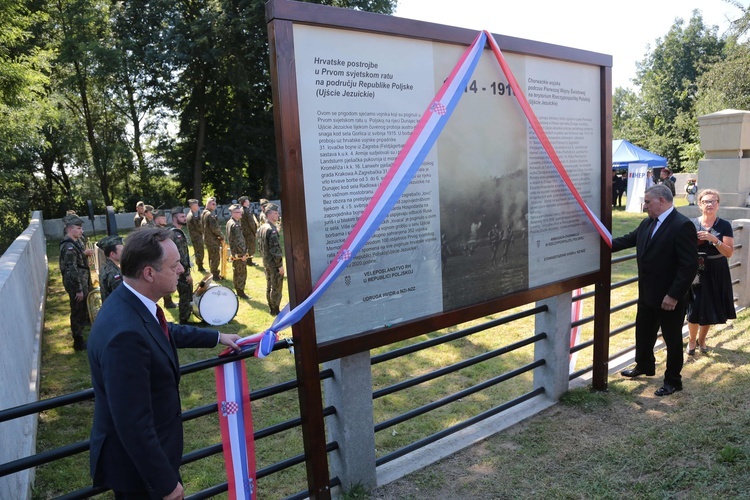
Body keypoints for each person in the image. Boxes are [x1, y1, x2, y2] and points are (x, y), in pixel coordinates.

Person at [87, 227, 242, 499]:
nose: (182, 269)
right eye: (174, 265)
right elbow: (133, 422)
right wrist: (164, 483)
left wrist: (217, 336)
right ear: (149, 273)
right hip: (141, 473)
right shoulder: (125, 335)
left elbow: (163, 330)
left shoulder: (131, 303)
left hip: (149, 461)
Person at [612, 184, 698, 396]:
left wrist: (673, 295)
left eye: (648, 201)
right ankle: (645, 365)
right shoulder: (647, 223)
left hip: (670, 298)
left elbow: (689, 266)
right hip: (648, 294)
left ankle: (673, 380)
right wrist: (597, 241)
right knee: (643, 333)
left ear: (661, 200)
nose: (645, 205)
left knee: (672, 339)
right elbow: (625, 241)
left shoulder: (682, 225)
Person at [686, 189, 736, 355]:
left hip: (716, 270)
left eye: (713, 201)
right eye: (706, 201)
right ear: (700, 204)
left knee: (708, 307)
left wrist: (714, 240)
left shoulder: (724, 225)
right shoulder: (691, 224)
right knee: (694, 306)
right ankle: (692, 340)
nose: (710, 204)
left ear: (718, 204)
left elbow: (729, 252)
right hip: (696, 270)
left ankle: (702, 339)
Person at [60, 215, 94, 351]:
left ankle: (82, 332)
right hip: (77, 284)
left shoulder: (75, 242)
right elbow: (71, 269)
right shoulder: (69, 246)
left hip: (82, 280)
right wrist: (78, 289)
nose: (81, 231)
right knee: (77, 311)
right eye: (79, 228)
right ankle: (78, 341)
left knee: (82, 309)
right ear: (70, 229)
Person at [257, 203, 284, 315]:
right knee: (276, 286)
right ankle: (275, 309)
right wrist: (280, 265)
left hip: (266, 261)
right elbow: (275, 250)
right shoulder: (271, 230)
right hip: (273, 263)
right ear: (268, 214)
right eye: (275, 213)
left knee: (269, 285)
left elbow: (260, 246)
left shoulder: (262, 227)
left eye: (277, 213)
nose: (277, 215)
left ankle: (271, 307)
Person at [169, 207, 195, 323]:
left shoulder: (172, 232)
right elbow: (181, 256)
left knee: (185, 295)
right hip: (181, 271)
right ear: (175, 218)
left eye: (184, 216)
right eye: (182, 217)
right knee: (186, 295)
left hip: (178, 270)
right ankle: (184, 321)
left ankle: (185, 319)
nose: (185, 218)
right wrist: (187, 274)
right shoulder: (176, 234)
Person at [226, 204, 249, 298]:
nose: (241, 214)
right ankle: (241, 292)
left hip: (234, 251)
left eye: (240, 212)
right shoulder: (235, 225)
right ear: (233, 213)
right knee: (241, 273)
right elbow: (239, 240)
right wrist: (243, 254)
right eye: (238, 212)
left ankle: (238, 290)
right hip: (239, 253)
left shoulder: (229, 222)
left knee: (236, 271)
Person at [201, 196, 224, 279]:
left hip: (207, 238)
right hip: (212, 239)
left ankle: (212, 273)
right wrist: (221, 235)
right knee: (215, 257)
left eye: (215, 204)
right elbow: (215, 228)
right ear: (208, 204)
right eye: (213, 204)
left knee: (211, 256)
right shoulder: (209, 215)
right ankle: (215, 275)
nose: (215, 205)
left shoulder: (203, 213)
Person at [97, 235, 123, 303]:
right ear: (112, 254)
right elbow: (122, 295)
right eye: (122, 251)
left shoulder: (106, 267)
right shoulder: (113, 272)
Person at [186, 199, 206, 273]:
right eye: (196, 205)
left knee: (200, 251)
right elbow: (198, 227)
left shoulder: (193, 214)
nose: (198, 206)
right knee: (199, 252)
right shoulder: (192, 216)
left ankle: (200, 266)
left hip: (197, 236)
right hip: (196, 237)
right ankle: (200, 267)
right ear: (192, 206)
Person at [238, 196, 258, 266]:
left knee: (246, 245)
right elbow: (251, 222)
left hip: (243, 231)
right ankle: (249, 260)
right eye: (247, 201)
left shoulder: (240, 210)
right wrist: (255, 231)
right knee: (251, 246)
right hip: (249, 232)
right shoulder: (247, 210)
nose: (249, 202)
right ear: (245, 202)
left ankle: (246, 259)